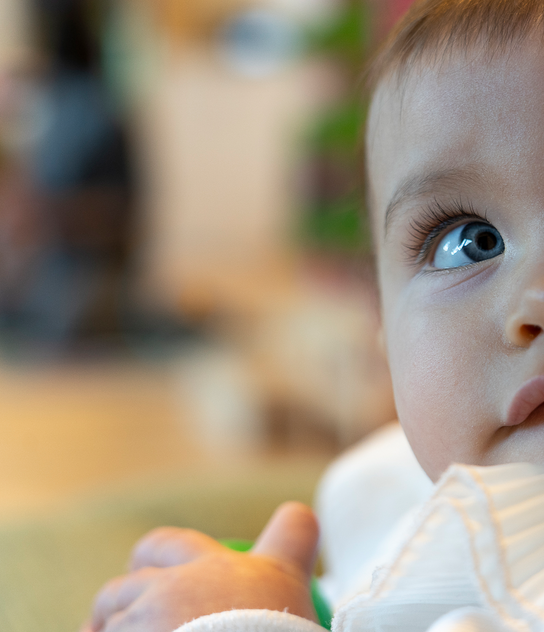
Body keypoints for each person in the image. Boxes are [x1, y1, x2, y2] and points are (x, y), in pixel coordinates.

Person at [81, 0, 544, 630]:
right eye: (469, 241)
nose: (533, 302)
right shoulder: (396, 492)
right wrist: (288, 599)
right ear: (383, 328)